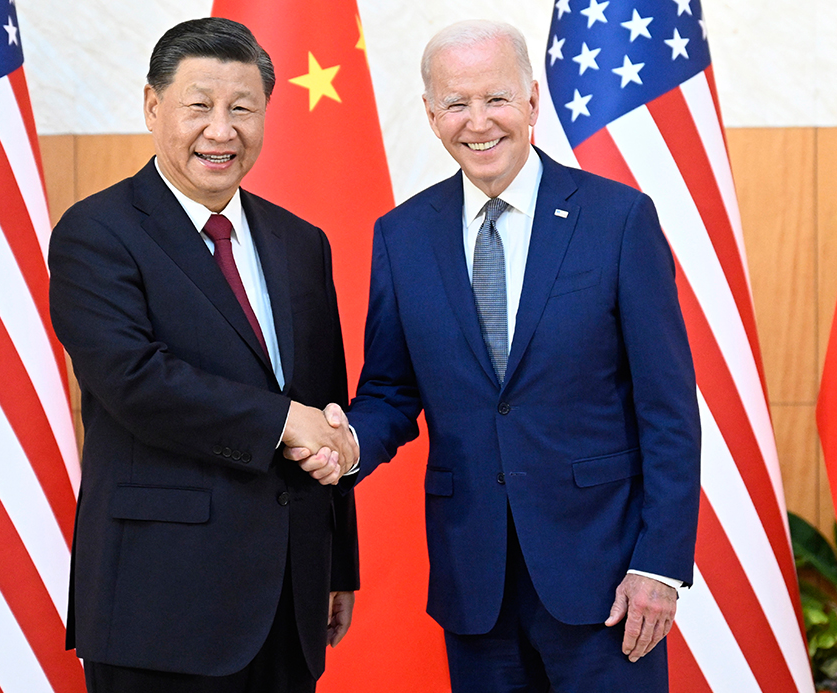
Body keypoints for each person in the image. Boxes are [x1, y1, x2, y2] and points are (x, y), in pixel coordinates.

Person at [295, 19, 701, 692]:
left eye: (497, 99)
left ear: (532, 101)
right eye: (456, 103)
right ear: (432, 115)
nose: (478, 122)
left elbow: (669, 409)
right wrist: (346, 445)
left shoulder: (618, 219)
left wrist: (658, 565)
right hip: (474, 582)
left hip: (605, 579)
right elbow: (392, 390)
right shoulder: (402, 235)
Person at [47, 17, 360, 693]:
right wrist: (283, 421)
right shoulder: (96, 233)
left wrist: (338, 565)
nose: (222, 131)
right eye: (199, 106)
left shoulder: (301, 242)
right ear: (153, 106)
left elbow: (325, 407)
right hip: (160, 604)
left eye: (242, 109)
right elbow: (135, 381)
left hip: (290, 599)